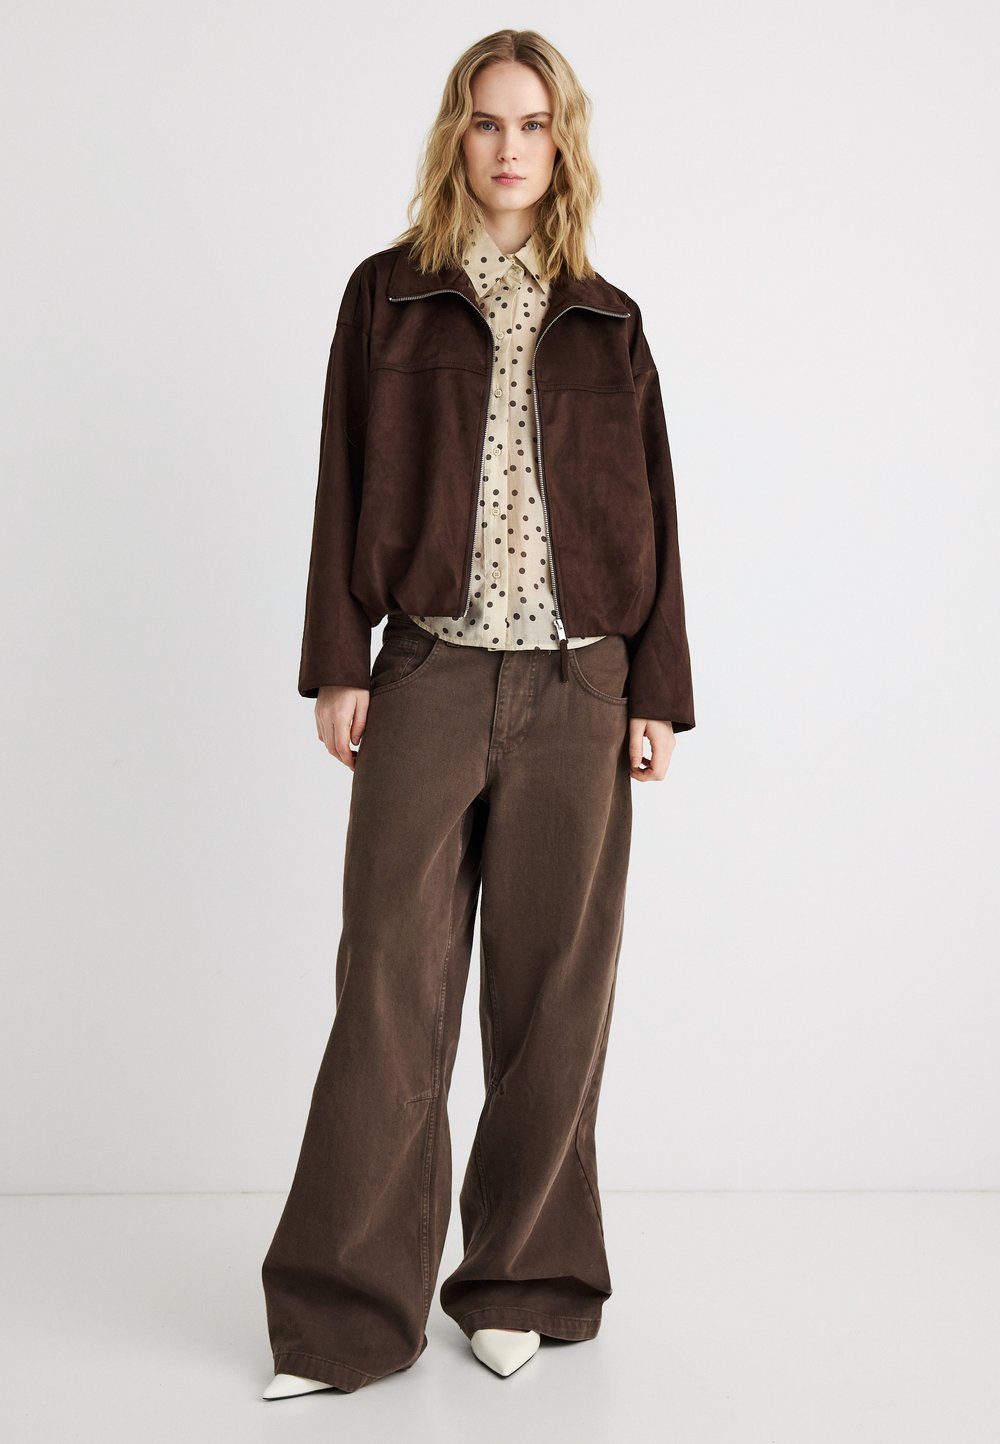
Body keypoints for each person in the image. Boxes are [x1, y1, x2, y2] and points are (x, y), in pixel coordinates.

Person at [260, 27, 696, 1397]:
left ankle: (524, 1282)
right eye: (489, 121)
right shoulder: (386, 298)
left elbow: (656, 510)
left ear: (564, 143)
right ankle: (343, 1315)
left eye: (535, 123)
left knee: (556, 992)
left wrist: (658, 691)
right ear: (457, 134)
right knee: (389, 988)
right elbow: (340, 476)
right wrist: (340, 660)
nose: (511, 147)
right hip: (430, 671)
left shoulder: (609, 318)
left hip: (582, 682)